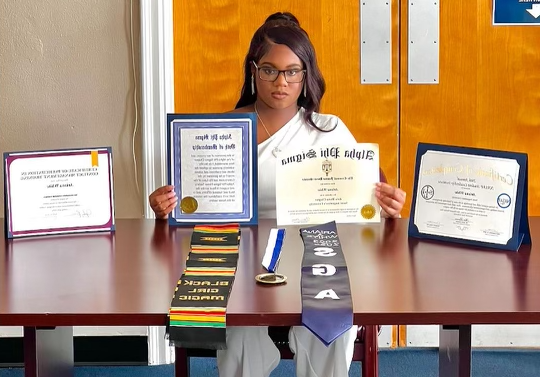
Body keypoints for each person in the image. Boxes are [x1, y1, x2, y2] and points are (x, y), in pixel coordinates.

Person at [149, 12, 406, 377]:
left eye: (292, 71)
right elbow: (189, 206)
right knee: (238, 326)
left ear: (306, 75)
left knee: (332, 328)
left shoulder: (329, 130)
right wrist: (165, 209)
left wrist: (389, 206)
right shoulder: (220, 132)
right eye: (269, 70)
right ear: (253, 70)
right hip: (240, 256)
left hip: (317, 253)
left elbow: (366, 201)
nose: (280, 82)